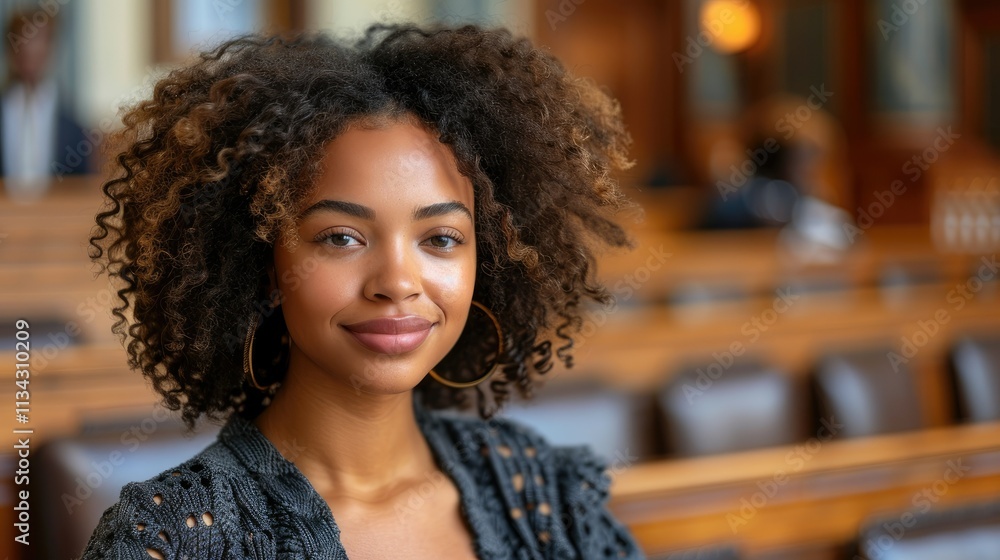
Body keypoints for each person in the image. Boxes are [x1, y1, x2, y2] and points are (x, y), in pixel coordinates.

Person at [83, 23, 642, 559]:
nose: (398, 282)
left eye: (441, 238)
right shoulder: (172, 540)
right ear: (267, 264)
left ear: (487, 261)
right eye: (342, 238)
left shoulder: (544, 495)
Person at [1, 9, 90, 198]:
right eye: (24, 38)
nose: (31, 48)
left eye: (40, 40)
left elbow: (82, 188)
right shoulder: (5, 107)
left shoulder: (72, 125)